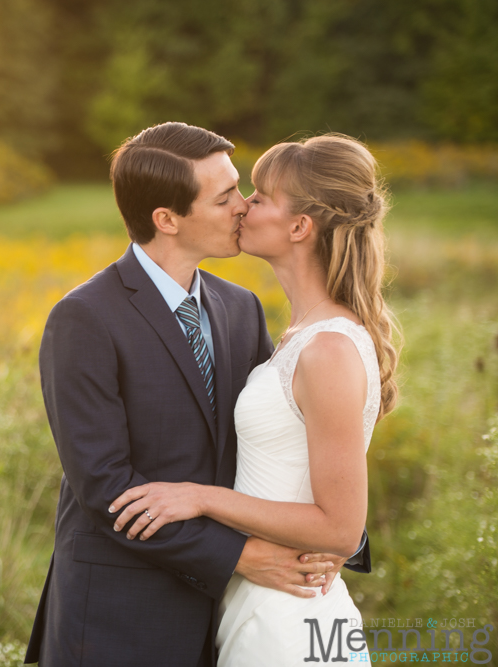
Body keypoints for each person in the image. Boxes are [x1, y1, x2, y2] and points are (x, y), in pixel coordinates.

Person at [24, 123, 370, 667]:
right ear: (167, 219)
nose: (242, 207)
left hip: (229, 612)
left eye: (241, 188)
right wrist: (242, 556)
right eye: (225, 196)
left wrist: (326, 539)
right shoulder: (85, 317)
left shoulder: (240, 308)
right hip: (120, 616)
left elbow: (275, 443)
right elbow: (105, 486)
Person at [108, 134, 398, 665]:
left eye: (260, 195)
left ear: (299, 227)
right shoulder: (295, 333)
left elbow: (340, 528)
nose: (243, 205)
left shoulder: (328, 348)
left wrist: (199, 497)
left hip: (288, 618)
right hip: (257, 600)